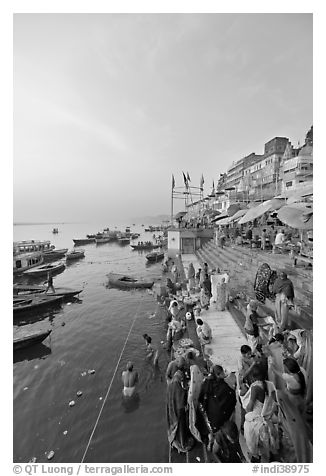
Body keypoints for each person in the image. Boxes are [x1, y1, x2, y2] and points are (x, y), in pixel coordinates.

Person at [241, 366, 279, 462]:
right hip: (268, 416)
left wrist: (243, 401)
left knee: (256, 444)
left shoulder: (255, 387)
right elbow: (273, 402)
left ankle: (257, 459)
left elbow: (249, 408)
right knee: (267, 445)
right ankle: (269, 457)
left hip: (258, 420)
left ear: (253, 377)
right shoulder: (270, 385)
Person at [199, 365, 236, 442]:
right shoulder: (224, 388)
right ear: (218, 374)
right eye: (223, 372)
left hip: (207, 415)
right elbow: (232, 398)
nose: (224, 374)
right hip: (217, 418)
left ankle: (211, 437)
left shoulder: (207, 383)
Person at [167, 370, 194, 453]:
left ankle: (176, 440)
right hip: (179, 411)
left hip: (172, 409)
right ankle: (183, 445)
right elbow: (181, 400)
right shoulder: (177, 386)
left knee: (176, 428)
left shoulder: (171, 385)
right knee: (181, 428)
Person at [187, 351, 204, 443]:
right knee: (195, 413)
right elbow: (197, 380)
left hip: (193, 395)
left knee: (193, 414)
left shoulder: (193, 367)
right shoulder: (194, 367)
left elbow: (194, 381)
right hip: (195, 394)